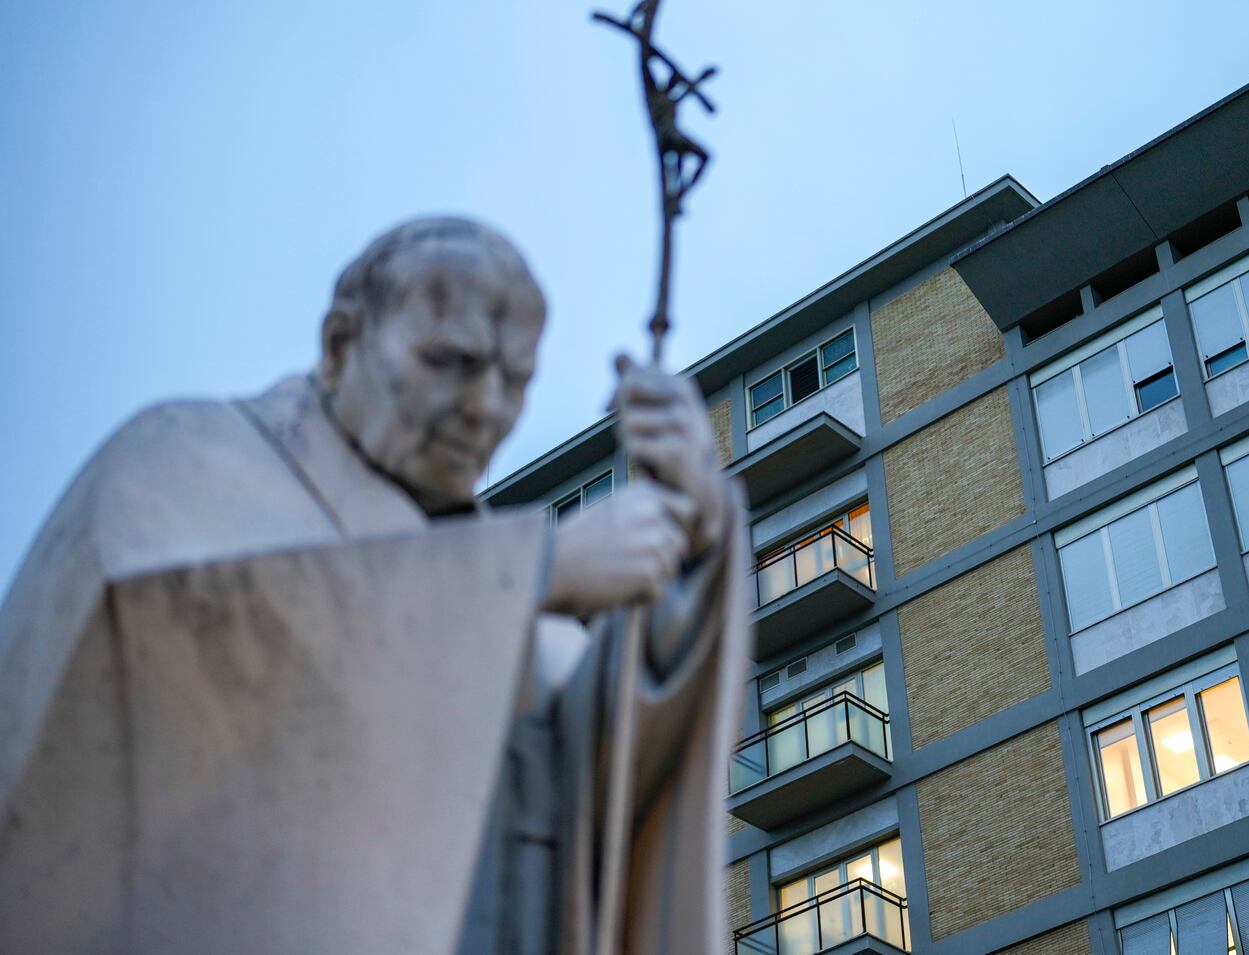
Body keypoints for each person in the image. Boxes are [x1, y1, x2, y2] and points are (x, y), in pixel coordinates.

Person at [0, 216, 747, 955]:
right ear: (339, 345)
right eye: (450, 360)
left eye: (514, 378)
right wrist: (531, 576)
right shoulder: (182, 460)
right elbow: (160, 674)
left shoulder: (500, 572)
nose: (487, 405)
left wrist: (691, 546)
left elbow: (594, 806)